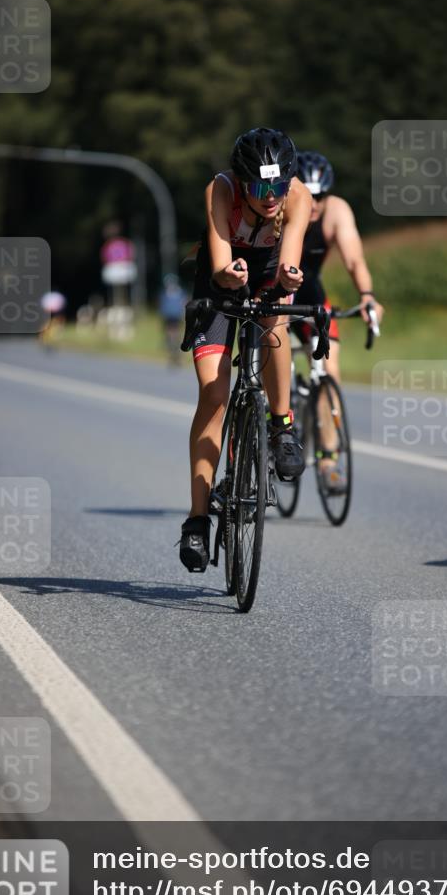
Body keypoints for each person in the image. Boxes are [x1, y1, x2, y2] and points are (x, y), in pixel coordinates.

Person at [179, 127, 312, 572]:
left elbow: (290, 261)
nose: (270, 196)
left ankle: (281, 425)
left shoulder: (298, 197)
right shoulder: (220, 189)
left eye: (277, 186)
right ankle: (197, 521)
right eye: (259, 188)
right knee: (214, 395)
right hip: (220, 276)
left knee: (277, 320)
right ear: (241, 182)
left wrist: (290, 280)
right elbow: (218, 264)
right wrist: (227, 276)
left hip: (270, 269)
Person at [294, 150, 385, 491]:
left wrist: (367, 296)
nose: (314, 203)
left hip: (310, 295)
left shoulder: (336, 211)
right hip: (273, 293)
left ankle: (328, 461)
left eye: (321, 195)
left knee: (329, 371)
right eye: (308, 193)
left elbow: (354, 260)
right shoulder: (281, 207)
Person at [159, 274, 189, 366]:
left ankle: (175, 349)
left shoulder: (178, 293)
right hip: (169, 317)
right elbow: (163, 306)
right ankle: (173, 348)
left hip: (175, 316)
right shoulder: (166, 294)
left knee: (174, 334)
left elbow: (184, 303)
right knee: (171, 334)